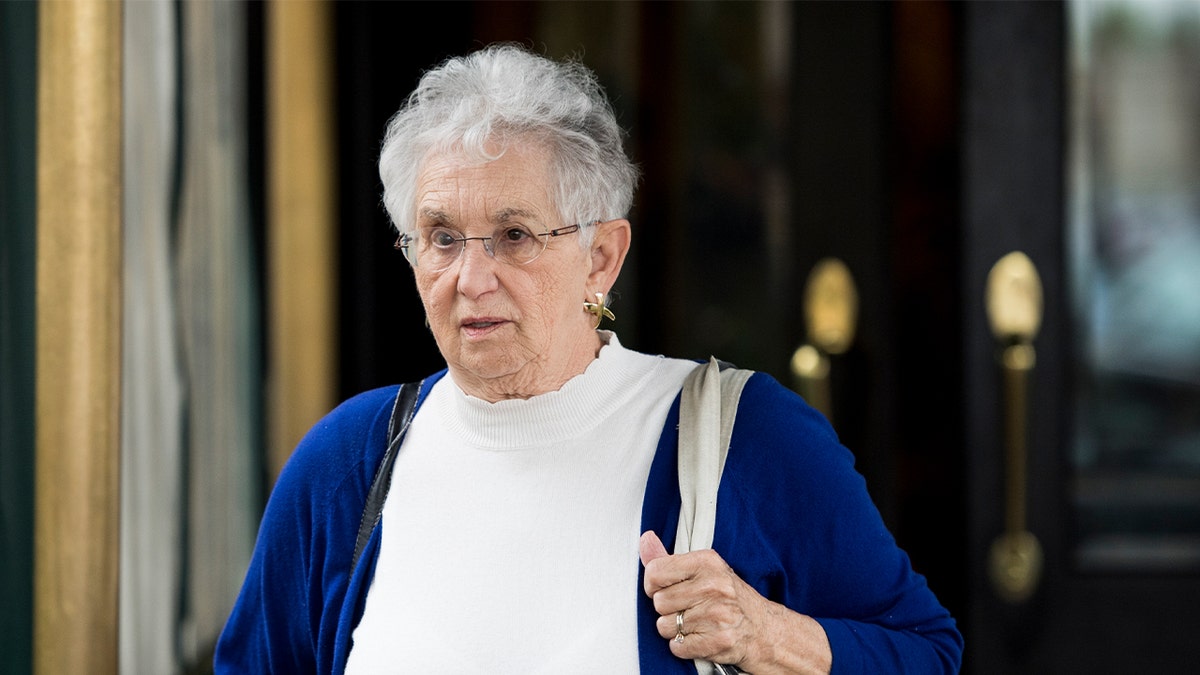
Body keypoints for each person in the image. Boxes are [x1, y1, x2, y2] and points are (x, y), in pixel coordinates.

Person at [215, 44, 962, 674]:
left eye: (514, 235)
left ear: (601, 255)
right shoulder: (346, 466)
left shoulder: (745, 439)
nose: (471, 279)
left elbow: (929, 653)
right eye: (441, 237)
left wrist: (772, 636)